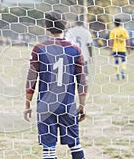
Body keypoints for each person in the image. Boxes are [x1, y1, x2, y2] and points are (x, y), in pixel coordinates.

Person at [24, 11, 87, 159]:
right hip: (67, 104)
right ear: (65, 26)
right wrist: (82, 105)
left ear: (46, 27)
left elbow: (31, 80)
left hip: (46, 106)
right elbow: (82, 81)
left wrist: (27, 105)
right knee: (75, 145)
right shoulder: (75, 49)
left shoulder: (39, 49)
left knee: (49, 150)